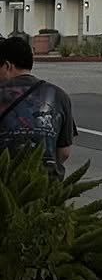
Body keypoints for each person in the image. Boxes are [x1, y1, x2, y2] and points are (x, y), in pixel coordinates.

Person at [0, 35, 77, 176]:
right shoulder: (59, 95)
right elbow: (64, 153)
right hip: (45, 183)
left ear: (7, 66)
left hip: (7, 184)